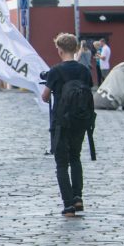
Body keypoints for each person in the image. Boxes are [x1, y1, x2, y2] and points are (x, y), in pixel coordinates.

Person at [41, 33, 93, 218]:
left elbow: (45, 96)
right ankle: (78, 196)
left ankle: (68, 205)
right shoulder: (84, 71)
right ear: (76, 48)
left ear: (60, 50)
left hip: (61, 123)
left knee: (61, 164)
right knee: (75, 158)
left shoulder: (56, 71)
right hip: (80, 121)